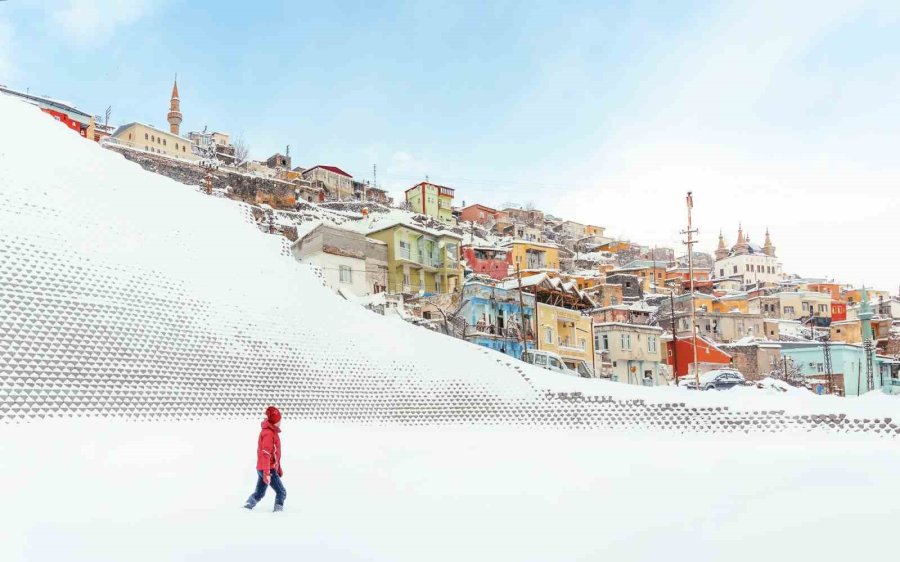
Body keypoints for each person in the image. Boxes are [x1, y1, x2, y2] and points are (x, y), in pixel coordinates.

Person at [244, 405, 287, 512]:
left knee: (260, 493)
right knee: (281, 492)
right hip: (267, 469)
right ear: (274, 421)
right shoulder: (269, 433)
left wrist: (278, 468)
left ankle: (248, 505)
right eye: (279, 419)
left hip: (263, 468)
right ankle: (278, 513)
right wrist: (267, 472)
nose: (280, 421)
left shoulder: (271, 431)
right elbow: (266, 454)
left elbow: (274, 454)